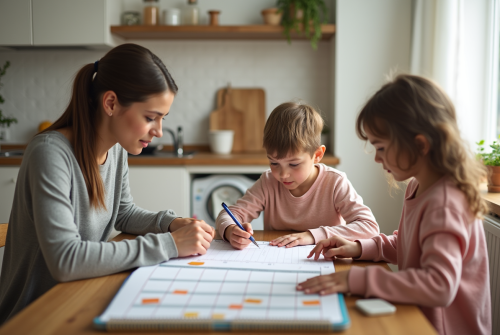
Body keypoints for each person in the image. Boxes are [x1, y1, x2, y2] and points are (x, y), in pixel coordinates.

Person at [0, 43, 215, 324]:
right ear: (111, 103)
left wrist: (172, 223)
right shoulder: (50, 153)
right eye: (150, 117)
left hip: (78, 298)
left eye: (162, 119)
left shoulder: (115, 149)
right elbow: (66, 260)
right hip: (34, 317)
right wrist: (170, 244)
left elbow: (123, 213)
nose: (159, 131)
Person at [297, 74, 491, 335]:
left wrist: (357, 278)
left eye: (381, 147)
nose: (377, 158)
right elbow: (407, 245)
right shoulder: (418, 186)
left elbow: (439, 285)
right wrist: (357, 248)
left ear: (420, 144)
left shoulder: (445, 203)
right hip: (420, 318)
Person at [216, 102, 379, 250]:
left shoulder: (335, 182)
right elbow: (228, 214)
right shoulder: (268, 182)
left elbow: (369, 227)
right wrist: (231, 231)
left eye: (294, 164)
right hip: (277, 257)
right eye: (274, 163)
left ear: (317, 155)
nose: (283, 174)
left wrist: (312, 236)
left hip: (325, 261)